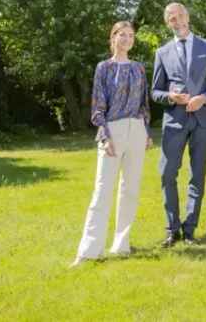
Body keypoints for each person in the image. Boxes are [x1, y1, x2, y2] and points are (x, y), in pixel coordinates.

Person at [71, 21, 153, 266]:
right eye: (122, 35)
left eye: (131, 35)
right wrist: (105, 136)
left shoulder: (139, 68)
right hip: (113, 130)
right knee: (102, 190)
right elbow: (98, 106)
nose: (127, 39)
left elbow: (144, 104)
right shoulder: (103, 68)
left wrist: (146, 131)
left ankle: (121, 245)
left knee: (131, 190)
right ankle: (88, 251)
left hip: (137, 130)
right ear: (113, 38)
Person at [151, 3, 206, 247]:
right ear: (167, 23)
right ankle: (172, 229)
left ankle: (190, 228)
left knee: (198, 174)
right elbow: (155, 92)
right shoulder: (162, 52)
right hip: (174, 121)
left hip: (203, 121)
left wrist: (203, 98)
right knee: (167, 173)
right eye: (172, 18)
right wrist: (170, 97)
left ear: (188, 17)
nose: (177, 20)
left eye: (180, 15)